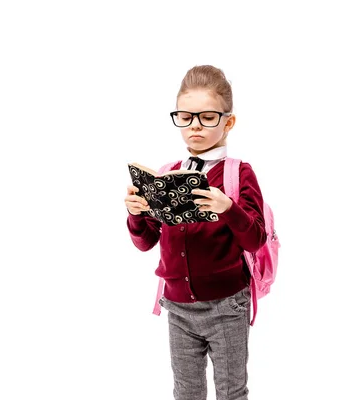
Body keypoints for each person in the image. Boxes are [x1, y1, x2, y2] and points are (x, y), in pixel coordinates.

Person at [124, 65, 267, 400]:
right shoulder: (168, 173)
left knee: (231, 391)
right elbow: (146, 242)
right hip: (177, 305)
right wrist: (135, 215)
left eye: (207, 117)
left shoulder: (238, 174)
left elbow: (255, 239)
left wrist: (229, 208)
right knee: (186, 392)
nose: (195, 126)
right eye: (186, 117)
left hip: (226, 305)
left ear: (228, 122)